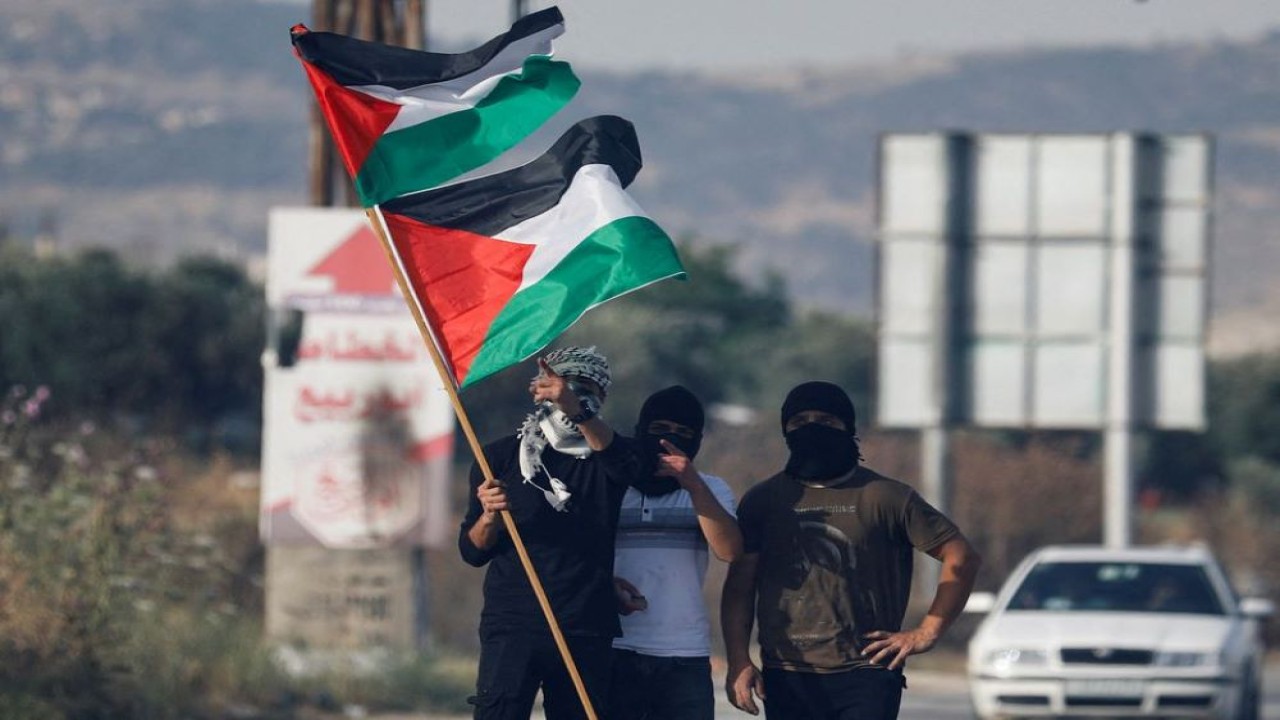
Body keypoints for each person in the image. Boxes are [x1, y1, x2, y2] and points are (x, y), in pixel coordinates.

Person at [721, 381, 982, 720]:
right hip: (787, 673)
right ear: (786, 430)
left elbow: (961, 556)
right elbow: (740, 586)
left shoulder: (885, 496)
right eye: (800, 422)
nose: (812, 428)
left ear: (848, 428)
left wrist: (926, 632)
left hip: (867, 671)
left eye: (826, 421)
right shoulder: (764, 500)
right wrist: (739, 661)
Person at [458, 346, 641, 720]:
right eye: (568, 387)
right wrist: (490, 516)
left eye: (588, 391)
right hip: (513, 624)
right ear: (541, 392)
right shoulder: (498, 458)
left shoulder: (610, 458)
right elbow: (472, 551)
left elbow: (626, 467)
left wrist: (576, 406)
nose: (574, 398)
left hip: (584, 626)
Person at [608, 386, 744, 720]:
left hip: (683, 656)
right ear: (641, 432)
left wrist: (693, 485)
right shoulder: (610, 485)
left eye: (684, 434)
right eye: (660, 430)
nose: (670, 439)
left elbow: (729, 551)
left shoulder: (711, 489)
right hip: (613, 650)